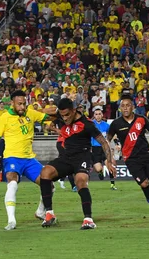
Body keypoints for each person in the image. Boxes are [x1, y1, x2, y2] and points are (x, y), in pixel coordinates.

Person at [40, 98, 115, 229]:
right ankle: (49, 214)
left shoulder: (87, 124)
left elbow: (103, 142)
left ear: (74, 111)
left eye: (67, 115)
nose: (65, 118)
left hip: (83, 157)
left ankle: (88, 219)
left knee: (80, 181)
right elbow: (44, 113)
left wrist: (108, 160)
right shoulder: (61, 115)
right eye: (62, 116)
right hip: (66, 156)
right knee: (45, 172)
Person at [0, 90, 56, 230]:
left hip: (29, 159)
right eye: (19, 104)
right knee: (13, 184)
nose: (22, 107)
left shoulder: (31, 113)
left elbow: (49, 117)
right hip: (11, 157)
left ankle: (40, 212)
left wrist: (59, 112)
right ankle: (11, 220)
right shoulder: (4, 117)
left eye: (24, 104)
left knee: (49, 185)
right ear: (12, 103)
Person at [107, 94, 149, 213]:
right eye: (123, 106)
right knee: (144, 183)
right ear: (120, 108)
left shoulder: (141, 119)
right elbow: (107, 140)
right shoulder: (116, 124)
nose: (125, 108)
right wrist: (110, 157)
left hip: (145, 155)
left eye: (128, 105)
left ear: (133, 107)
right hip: (130, 159)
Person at [90, 106, 117, 189]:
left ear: (102, 115)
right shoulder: (91, 125)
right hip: (95, 149)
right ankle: (100, 172)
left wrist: (116, 144)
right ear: (94, 115)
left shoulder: (106, 125)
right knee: (98, 169)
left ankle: (112, 184)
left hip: (104, 148)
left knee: (110, 165)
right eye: (96, 114)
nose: (98, 116)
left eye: (99, 114)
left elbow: (112, 135)